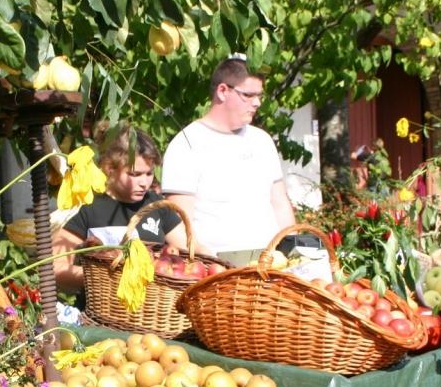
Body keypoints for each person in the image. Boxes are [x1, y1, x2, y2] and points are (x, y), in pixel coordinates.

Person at [162, 57, 296, 255]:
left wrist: (291, 251)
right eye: (248, 95)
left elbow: (280, 204)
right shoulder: (187, 144)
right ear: (222, 91)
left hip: (271, 266)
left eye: (259, 95)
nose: (257, 103)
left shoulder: (262, 141)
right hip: (216, 271)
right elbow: (179, 225)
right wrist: (210, 265)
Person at [52, 124, 186, 294]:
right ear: (110, 169)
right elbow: (55, 267)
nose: (145, 182)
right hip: (101, 312)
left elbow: (190, 250)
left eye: (149, 173)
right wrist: (101, 277)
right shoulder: (90, 208)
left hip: (153, 311)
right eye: (135, 174)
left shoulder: (157, 205)